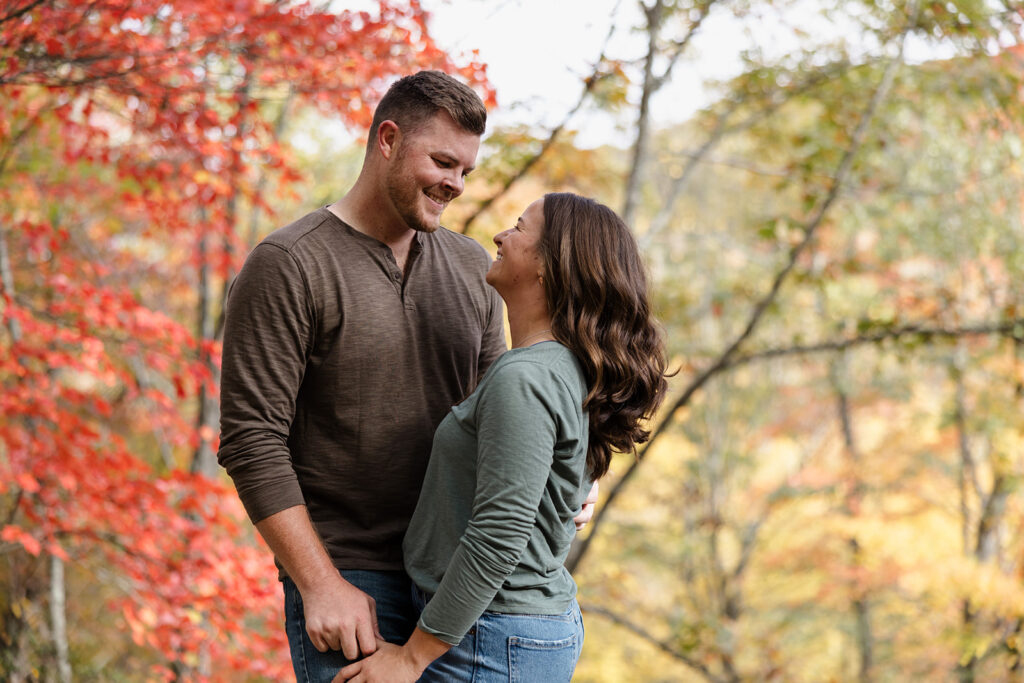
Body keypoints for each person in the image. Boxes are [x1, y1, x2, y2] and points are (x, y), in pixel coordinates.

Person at [216, 71, 508, 682]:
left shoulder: (474, 268)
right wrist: (321, 584)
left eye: (466, 172)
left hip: (457, 584)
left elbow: (499, 422)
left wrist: (566, 479)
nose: (455, 184)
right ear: (388, 140)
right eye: (443, 162)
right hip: (352, 582)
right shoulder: (289, 264)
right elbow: (251, 442)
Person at [337, 193, 669, 683]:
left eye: (518, 227)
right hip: (504, 631)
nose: (500, 236)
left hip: (487, 640)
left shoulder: (527, 377)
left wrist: (412, 658)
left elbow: (499, 534)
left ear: (548, 268)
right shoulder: (564, 368)